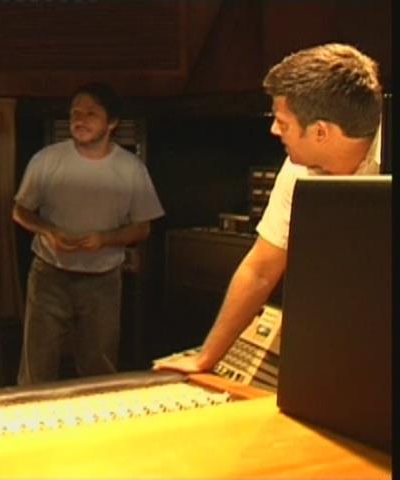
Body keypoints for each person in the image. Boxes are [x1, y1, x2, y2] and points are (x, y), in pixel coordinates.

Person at [155, 43, 383, 374]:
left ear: (321, 132)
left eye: (282, 122)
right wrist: (206, 358)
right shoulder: (297, 169)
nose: (273, 130)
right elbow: (261, 269)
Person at [14, 82, 165, 385]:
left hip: (102, 279)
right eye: (75, 113)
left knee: (99, 366)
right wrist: (48, 231)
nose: (80, 120)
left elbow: (143, 227)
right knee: (36, 365)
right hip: (49, 274)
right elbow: (20, 211)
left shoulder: (130, 169)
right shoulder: (47, 160)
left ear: (112, 122)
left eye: (91, 114)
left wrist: (104, 239)